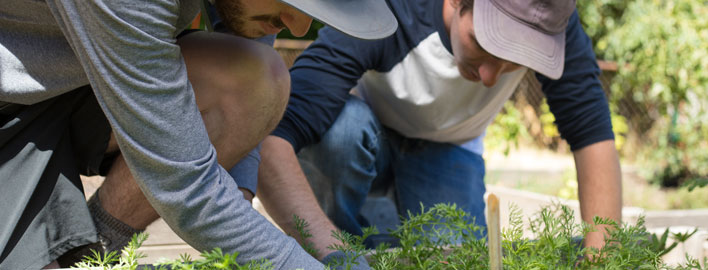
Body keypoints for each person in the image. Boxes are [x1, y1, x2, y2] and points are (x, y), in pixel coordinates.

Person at [0, 0, 396, 269]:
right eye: (292, 1)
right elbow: (187, 186)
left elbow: (247, 100)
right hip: (12, 106)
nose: (301, 25)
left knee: (256, 74)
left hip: (78, 84)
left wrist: (238, 204)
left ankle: (89, 256)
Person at [257, 0, 623, 253]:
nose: (488, 77)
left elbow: (592, 137)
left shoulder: (551, 24)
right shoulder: (391, 9)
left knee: (454, 256)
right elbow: (273, 136)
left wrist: (602, 259)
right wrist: (333, 254)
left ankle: (382, 222)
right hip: (367, 133)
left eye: (512, 62)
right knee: (341, 133)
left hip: (449, 147)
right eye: (482, 44)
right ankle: (344, 234)